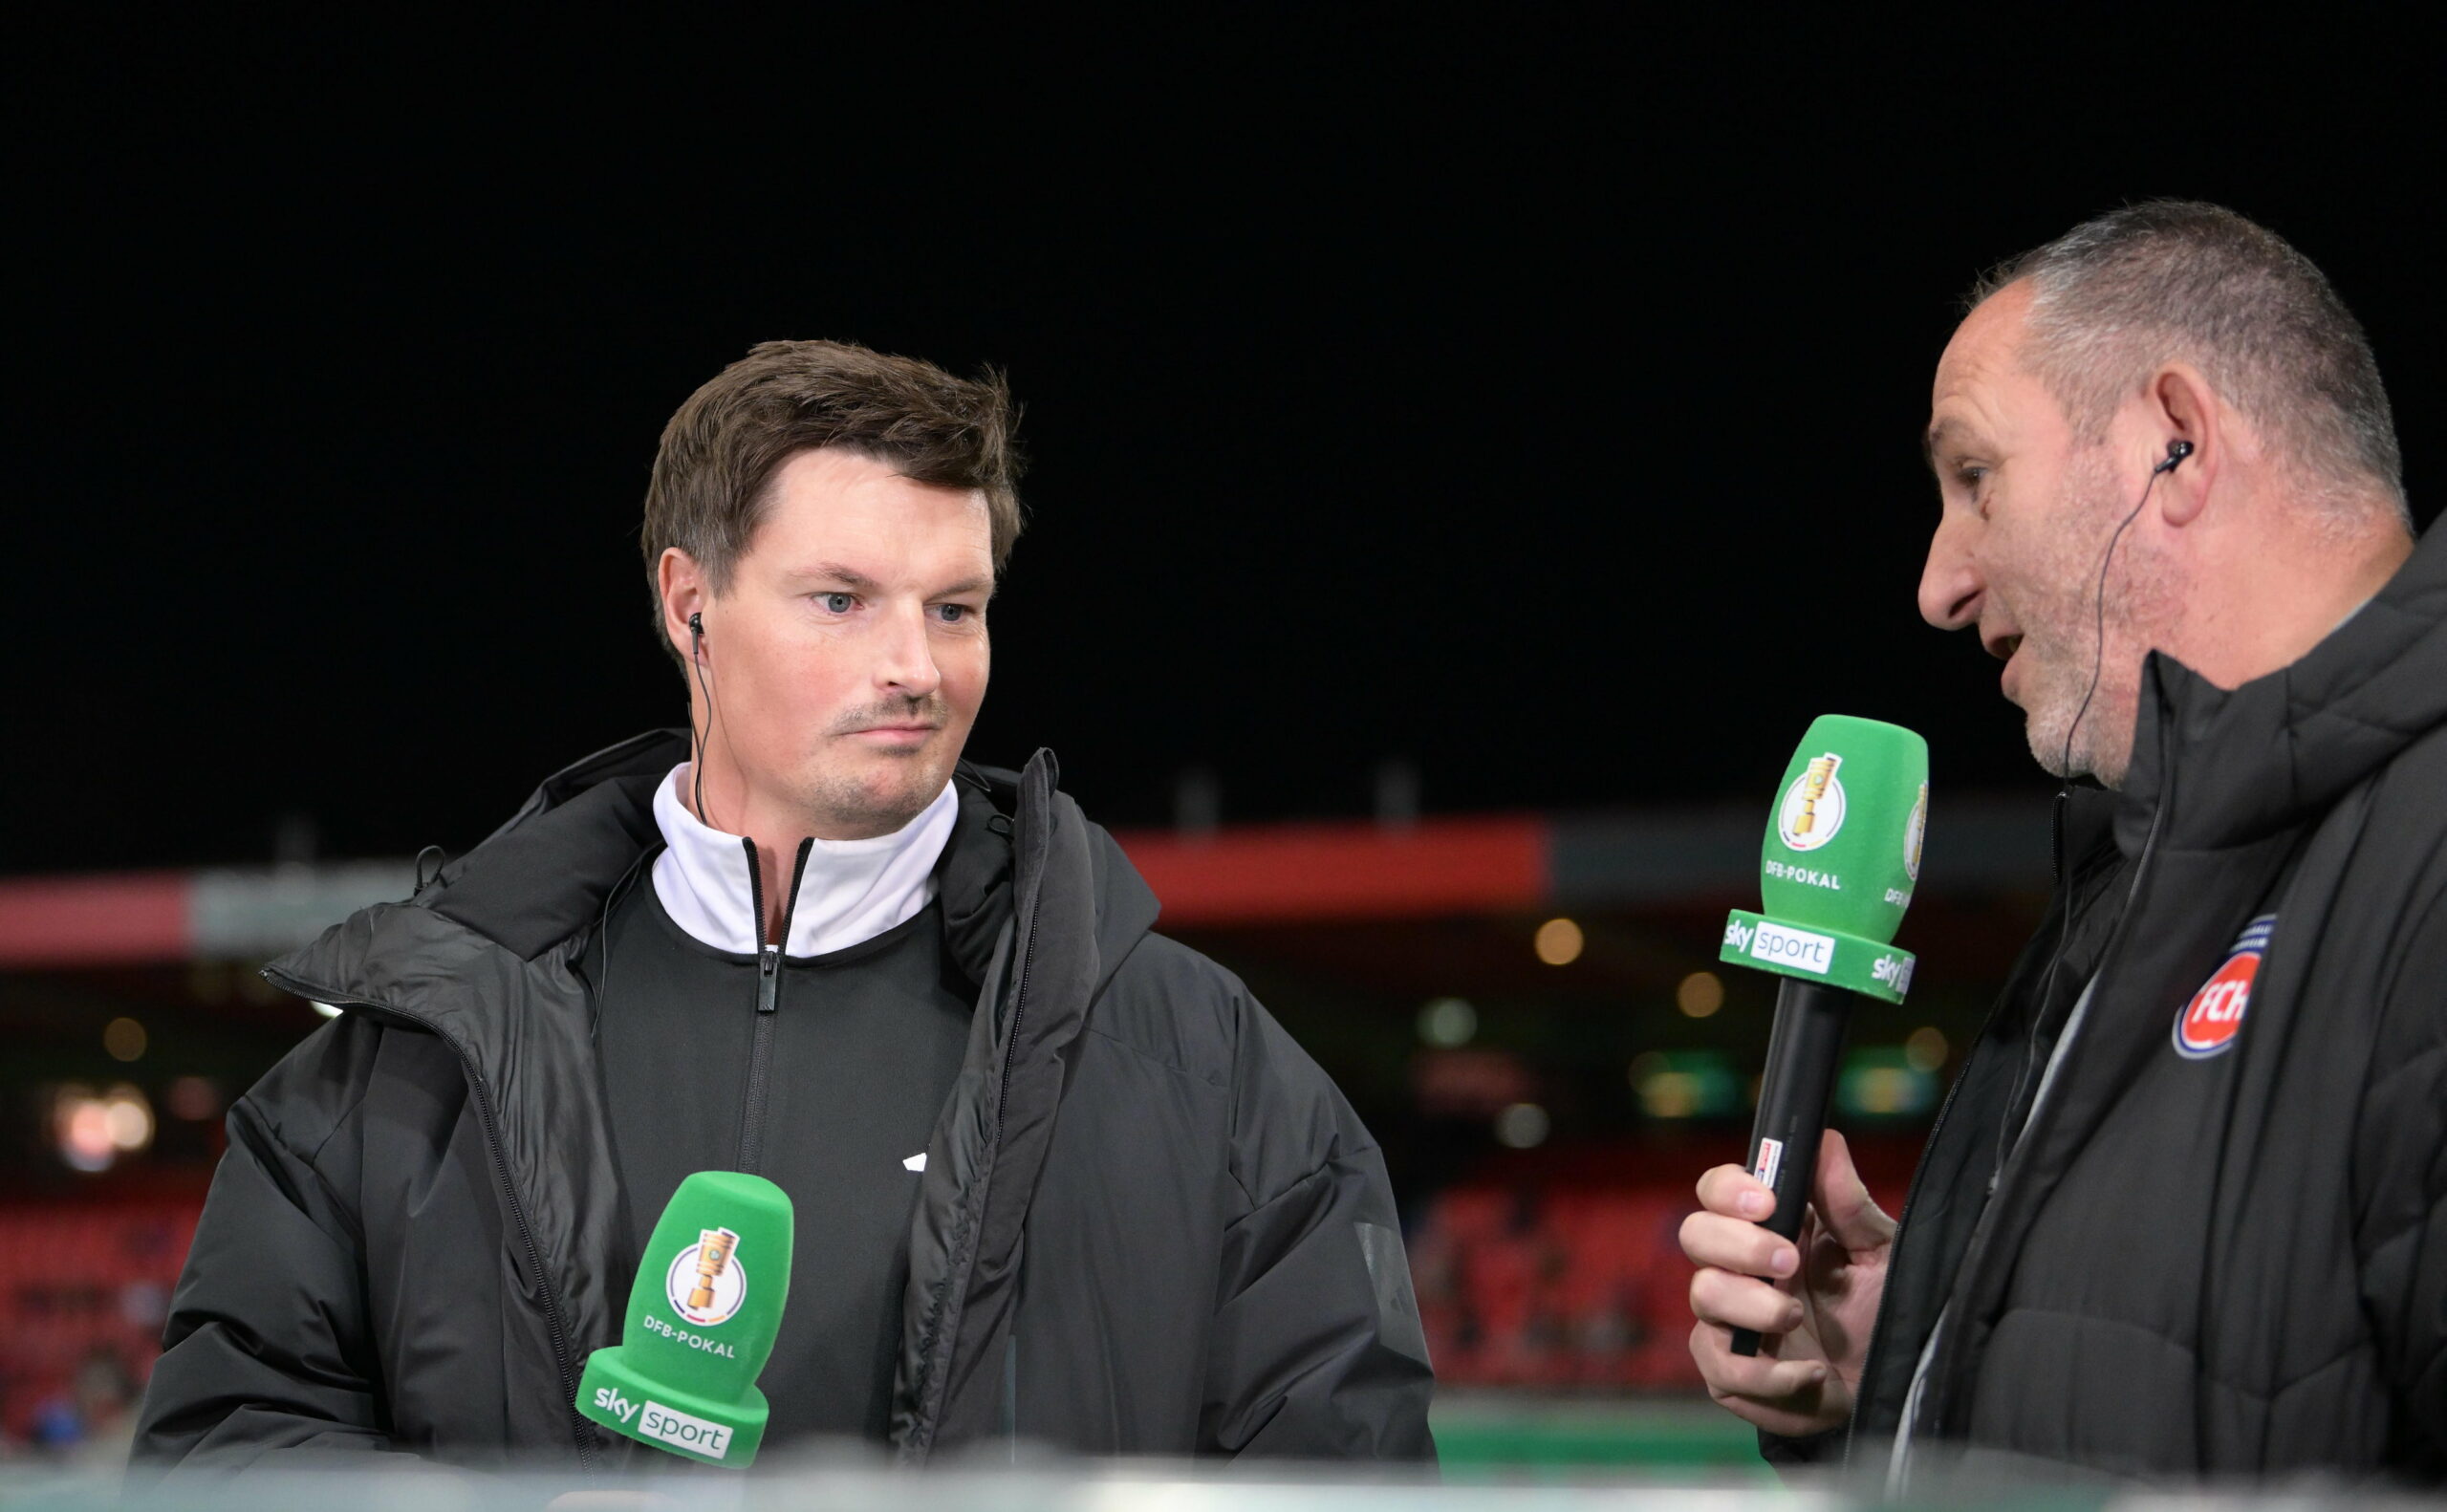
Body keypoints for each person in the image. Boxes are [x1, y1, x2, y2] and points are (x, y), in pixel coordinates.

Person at [133, 341, 1435, 1472]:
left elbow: (1347, 1466)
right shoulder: (396, 1070)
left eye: (956, 608)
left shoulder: (1205, 1066)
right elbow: (228, 1448)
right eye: (843, 600)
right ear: (691, 605)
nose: (916, 666)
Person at [1682, 202, 2445, 1482]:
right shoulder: (2126, 892)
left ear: (2175, 441)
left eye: (1975, 476)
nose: (1939, 583)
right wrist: (1905, 1376)